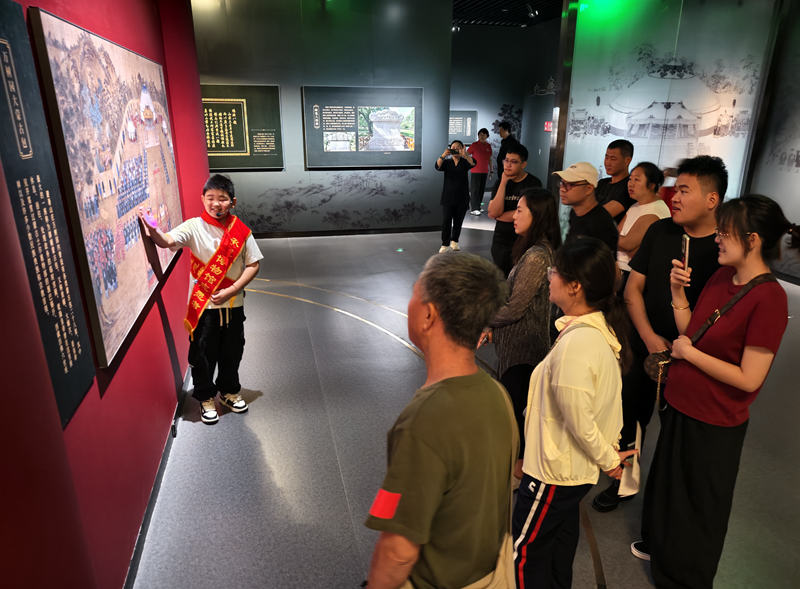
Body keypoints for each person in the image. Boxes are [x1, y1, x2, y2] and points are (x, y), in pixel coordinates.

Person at [634, 194, 798, 587]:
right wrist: (677, 294)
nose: (718, 238)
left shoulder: (769, 298)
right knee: (671, 487)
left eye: (726, 232)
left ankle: (686, 578)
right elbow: (692, 333)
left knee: (700, 503)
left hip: (715, 419)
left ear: (752, 240)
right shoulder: (723, 277)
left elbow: (749, 377)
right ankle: (663, 553)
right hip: (682, 403)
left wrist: (689, 354)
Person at [365, 253, 517, 588]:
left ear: (428, 315)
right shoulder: (496, 394)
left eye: (413, 294)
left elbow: (398, 551)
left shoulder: (423, 421)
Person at [593, 155, 726, 512]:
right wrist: (650, 338)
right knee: (630, 418)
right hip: (644, 345)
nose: (675, 198)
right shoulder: (661, 231)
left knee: (678, 430)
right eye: (674, 190)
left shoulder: (724, 247)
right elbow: (633, 289)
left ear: (712, 199)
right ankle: (625, 482)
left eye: (684, 191)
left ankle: (666, 502)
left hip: (693, 358)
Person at [513, 237, 637, 589]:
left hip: (554, 472)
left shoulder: (579, 344)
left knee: (525, 555)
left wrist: (608, 461)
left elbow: (579, 419)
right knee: (556, 551)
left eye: (555, 272)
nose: (549, 277)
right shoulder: (593, 331)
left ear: (575, 286)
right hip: (567, 472)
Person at [138, 174, 263, 424]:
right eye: (210, 198)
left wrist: (232, 290)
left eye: (222, 199)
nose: (216, 203)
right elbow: (166, 241)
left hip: (233, 304)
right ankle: (205, 397)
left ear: (233, 202)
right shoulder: (194, 227)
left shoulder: (241, 231)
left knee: (232, 351)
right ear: (203, 199)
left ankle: (228, 391)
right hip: (204, 306)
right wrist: (153, 229)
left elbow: (253, 264)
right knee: (202, 354)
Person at [480, 188, 562, 464]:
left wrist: (483, 318)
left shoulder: (537, 257)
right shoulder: (531, 250)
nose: (513, 216)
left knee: (517, 415)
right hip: (515, 348)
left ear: (536, 215)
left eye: (519, 210)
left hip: (524, 351)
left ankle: (518, 470)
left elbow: (515, 307)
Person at [488, 144, 542, 276]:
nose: (508, 165)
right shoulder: (500, 182)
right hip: (500, 239)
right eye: (506, 160)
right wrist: (503, 183)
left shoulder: (533, 183)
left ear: (523, 164)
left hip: (523, 239)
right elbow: (493, 212)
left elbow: (530, 212)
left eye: (513, 162)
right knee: (500, 278)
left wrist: (500, 216)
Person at [616, 162, 671, 284]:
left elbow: (627, 244)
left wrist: (622, 242)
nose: (631, 184)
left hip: (630, 273)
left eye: (637, 180)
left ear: (651, 185)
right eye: (630, 179)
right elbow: (614, 236)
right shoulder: (635, 206)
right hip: (617, 266)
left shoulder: (656, 209)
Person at [554, 162, 618, 253]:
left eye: (570, 185)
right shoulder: (575, 212)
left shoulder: (600, 223)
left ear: (589, 189)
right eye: (562, 183)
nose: (562, 189)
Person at [435, 140, 475, 252]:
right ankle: (445, 244)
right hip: (448, 197)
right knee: (446, 221)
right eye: (453, 147)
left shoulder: (465, 161)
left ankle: (455, 241)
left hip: (462, 197)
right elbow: (437, 166)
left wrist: (465, 155)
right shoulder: (447, 162)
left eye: (458, 147)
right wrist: (443, 155)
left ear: (462, 148)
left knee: (458, 221)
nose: (455, 149)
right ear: (450, 148)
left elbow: (473, 163)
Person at [596, 139, 635, 224]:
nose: (607, 163)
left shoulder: (629, 187)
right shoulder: (602, 183)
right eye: (606, 157)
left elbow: (599, 217)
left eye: (613, 159)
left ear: (627, 161)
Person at [467, 128, 492, 215]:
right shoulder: (474, 145)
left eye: (484, 135)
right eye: (480, 134)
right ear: (478, 135)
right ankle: (474, 209)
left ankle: (478, 206)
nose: (482, 136)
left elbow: (489, 159)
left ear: (487, 136)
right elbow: (466, 154)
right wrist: (471, 163)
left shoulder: (488, 146)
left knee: (481, 190)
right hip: (475, 171)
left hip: (484, 171)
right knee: (475, 190)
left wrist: (491, 170)